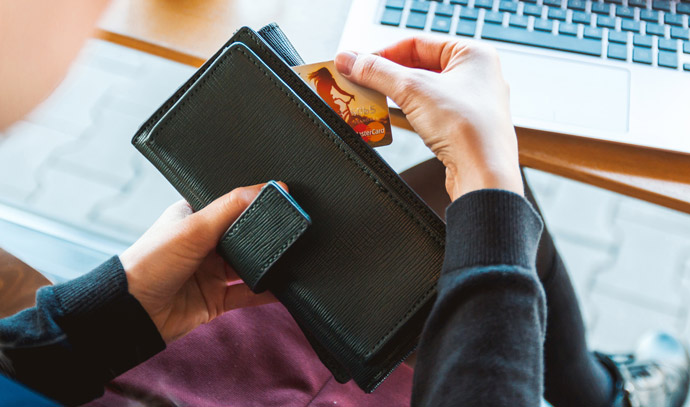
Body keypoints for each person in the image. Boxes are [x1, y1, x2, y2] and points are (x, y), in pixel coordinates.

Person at [0, 2, 688, 407]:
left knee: (456, 220)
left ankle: (602, 393)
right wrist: (488, 175)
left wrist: (102, 316)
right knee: (483, 218)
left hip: (112, 356)